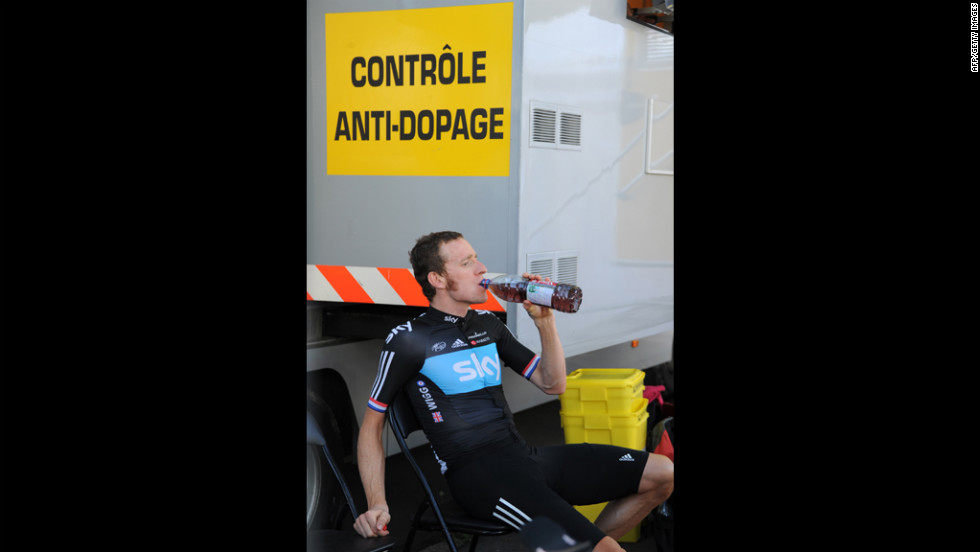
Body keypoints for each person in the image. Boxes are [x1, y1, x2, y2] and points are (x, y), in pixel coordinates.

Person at [353, 231, 673, 552]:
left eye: (477, 258)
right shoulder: (408, 339)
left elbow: (553, 384)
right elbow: (372, 425)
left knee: (663, 473)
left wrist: (544, 321)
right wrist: (378, 503)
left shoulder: (488, 324)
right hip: (481, 478)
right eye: (467, 262)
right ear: (437, 278)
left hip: (524, 457)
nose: (482, 268)